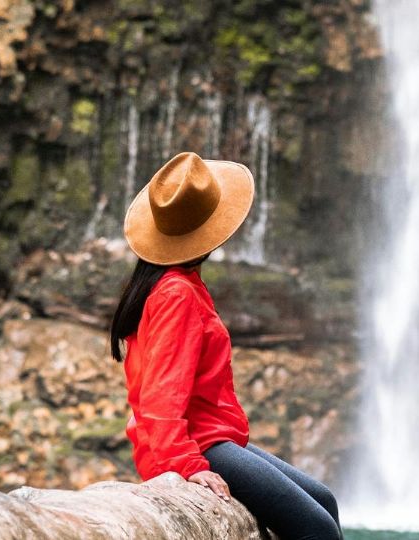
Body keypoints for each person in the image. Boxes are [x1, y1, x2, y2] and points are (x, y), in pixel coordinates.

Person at [108, 151, 343, 540]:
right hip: (197, 444)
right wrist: (188, 464)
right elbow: (160, 395)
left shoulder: (177, 282)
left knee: (325, 501)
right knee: (316, 528)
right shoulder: (176, 294)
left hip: (214, 437)